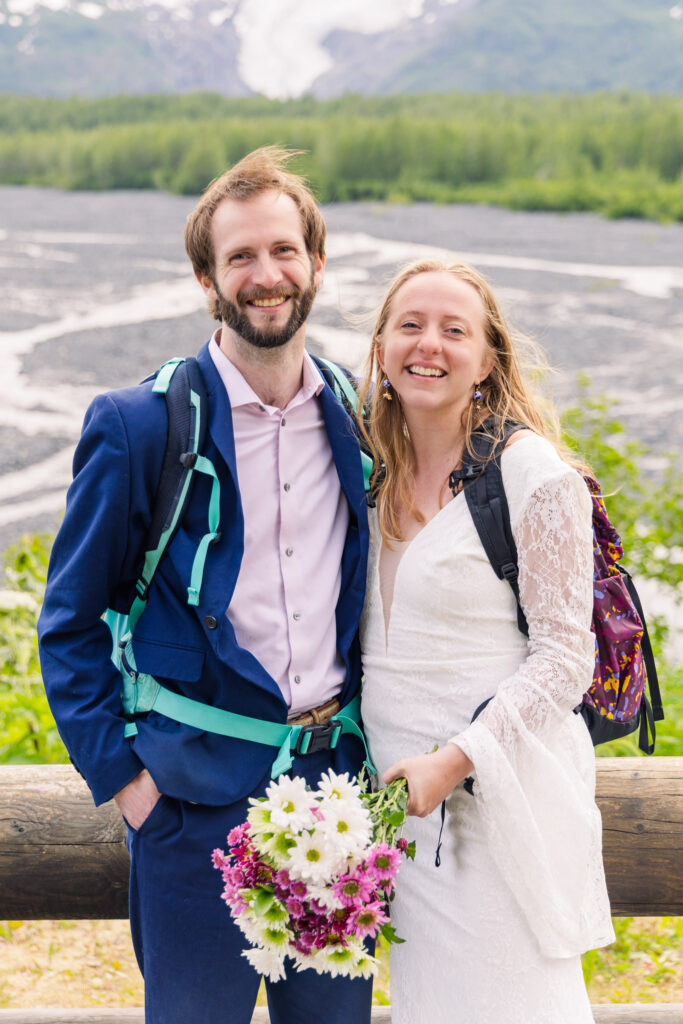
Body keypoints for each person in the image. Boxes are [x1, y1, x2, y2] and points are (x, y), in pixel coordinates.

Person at [37, 148, 372, 1024]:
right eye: (240, 258)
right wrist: (130, 789)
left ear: (317, 264)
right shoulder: (139, 426)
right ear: (205, 278)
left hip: (333, 802)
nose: (267, 276)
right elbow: (67, 627)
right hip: (189, 809)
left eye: (284, 251)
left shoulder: (360, 414)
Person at [357, 259, 615, 1023]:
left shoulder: (531, 475)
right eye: (409, 325)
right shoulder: (368, 468)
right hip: (402, 828)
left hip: (499, 811)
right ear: (379, 348)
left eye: (452, 329)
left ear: (488, 358)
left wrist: (456, 759)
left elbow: (568, 659)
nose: (427, 345)